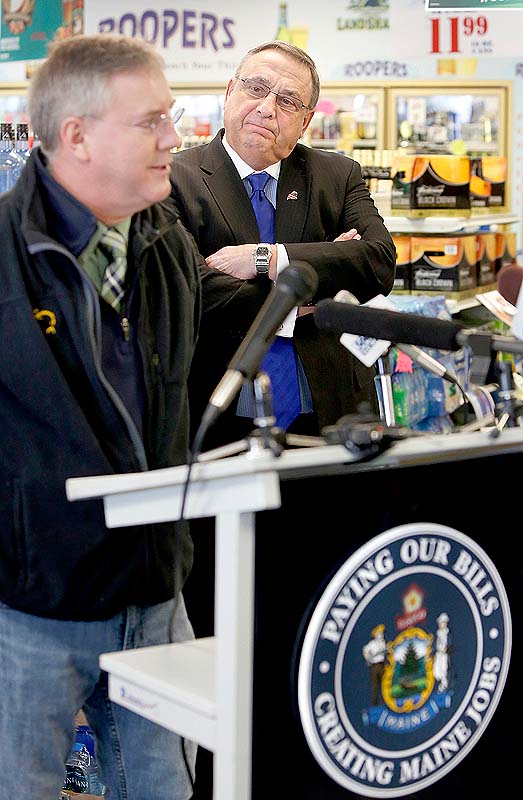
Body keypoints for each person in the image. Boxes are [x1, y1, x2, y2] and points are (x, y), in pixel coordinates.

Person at [0, 34, 203, 799]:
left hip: (153, 599)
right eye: (151, 120)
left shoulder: (167, 245)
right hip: (31, 608)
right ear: (76, 135)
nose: (173, 138)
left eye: (171, 117)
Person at [169, 40, 396, 450]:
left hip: (329, 406)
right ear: (229, 92)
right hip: (215, 405)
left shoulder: (336, 175)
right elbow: (191, 288)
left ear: (306, 120)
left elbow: (378, 263)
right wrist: (315, 290)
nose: (267, 108)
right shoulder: (173, 178)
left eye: (288, 100)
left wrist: (267, 258)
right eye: (255, 88)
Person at [362, 623, 387, 706]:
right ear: (376, 634)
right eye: (380, 633)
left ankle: (386, 701)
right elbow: (365, 650)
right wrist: (368, 658)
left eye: (382, 633)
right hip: (375, 666)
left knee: (384, 683)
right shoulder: (372, 644)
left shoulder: (383, 643)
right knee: (375, 686)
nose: (381, 635)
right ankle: (375, 704)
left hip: (382, 665)